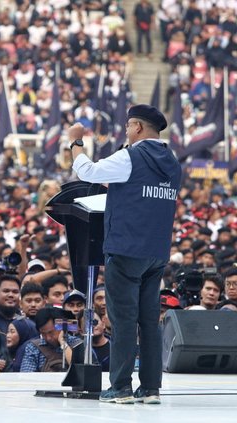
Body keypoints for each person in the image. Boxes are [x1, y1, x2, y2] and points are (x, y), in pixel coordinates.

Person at [69, 104, 182, 404]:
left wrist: (75, 143)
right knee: (149, 322)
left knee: (122, 320)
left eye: (130, 126)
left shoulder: (130, 156)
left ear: (138, 128)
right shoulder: (172, 162)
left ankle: (120, 387)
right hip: (156, 252)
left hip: (125, 249)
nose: (127, 131)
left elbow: (88, 171)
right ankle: (151, 388)